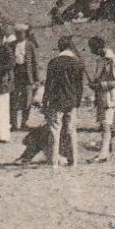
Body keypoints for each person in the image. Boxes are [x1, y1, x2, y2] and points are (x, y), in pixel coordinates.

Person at [41, 37, 85, 166]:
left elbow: (48, 85)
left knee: (55, 130)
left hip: (56, 100)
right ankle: (74, 160)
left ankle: (53, 161)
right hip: (71, 100)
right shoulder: (77, 63)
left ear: (59, 47)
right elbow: (79, 87)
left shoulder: (53, 63)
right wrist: (78, 102)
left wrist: (45, 101)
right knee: (71, 130)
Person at [87, 35, 115, 163]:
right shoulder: (100, 60)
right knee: (104, 126)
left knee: (106, 126)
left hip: (110, 98)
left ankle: (103, 154)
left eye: (92, 49)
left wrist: (100, 85)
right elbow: (98, 78)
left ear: (97, 48)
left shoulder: (112, 60)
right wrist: (93, 85)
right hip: (101, 97)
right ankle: (107, 153)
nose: (91, 52)